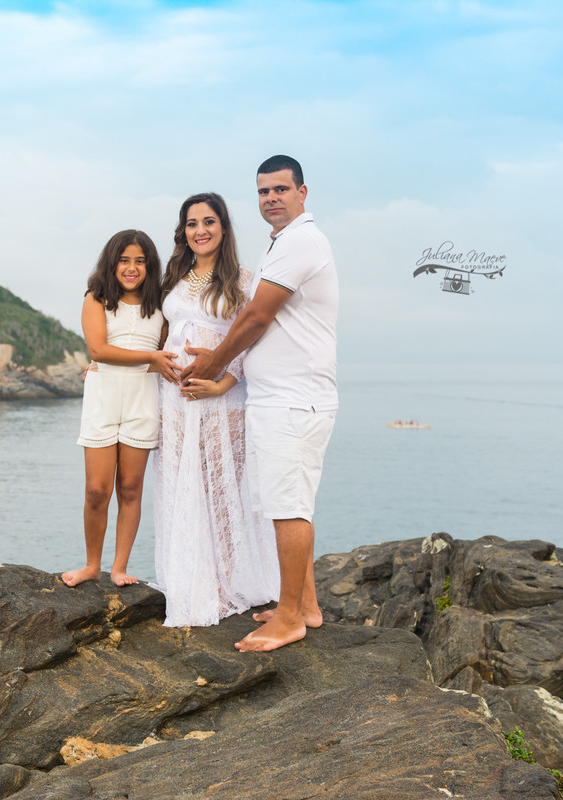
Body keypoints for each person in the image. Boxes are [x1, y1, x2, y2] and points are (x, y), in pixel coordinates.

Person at [181, 155, 338, 652]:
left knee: (288, 506)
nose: (271, 198)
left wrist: (213, 366)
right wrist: (223, 361)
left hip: (293, 400)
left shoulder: (301, 241)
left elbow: (255, 318)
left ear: (302, 193)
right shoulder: (284, 244)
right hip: (282, 398)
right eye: (263, 191)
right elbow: (255, 320)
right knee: (287, 502)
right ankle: (306, 605)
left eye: (281, 189)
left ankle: (290, 618)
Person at [153, 192, 280, 627]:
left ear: (223, 228)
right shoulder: (174, 277)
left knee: (221, 491)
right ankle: (187, 578)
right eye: (191, 223)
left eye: (209, 221)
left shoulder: (243, 280)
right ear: (182, 232)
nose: (200, 230)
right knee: (179, 485)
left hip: (222, 398)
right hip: (175, 399)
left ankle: (228, 583)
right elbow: (162, 333)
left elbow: (254, 336)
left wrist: (224, 381)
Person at [63, 230, 179, 588]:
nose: (131, 268)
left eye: (140, 261)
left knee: (130, 488)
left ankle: (119, 567)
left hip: (143, 399)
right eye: (124, 260)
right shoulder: (95, 299)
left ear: (150, 265)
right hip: (102, 397)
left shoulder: (161, 304)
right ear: (111, 263)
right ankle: (91, 565)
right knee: (97, 490)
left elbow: (168, 349)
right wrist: (149, 358)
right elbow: (98, 350)